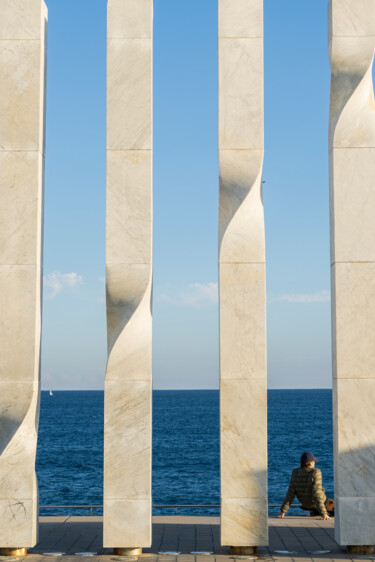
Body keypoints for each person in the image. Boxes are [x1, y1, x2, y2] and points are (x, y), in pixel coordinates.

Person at [276, 452, 331, 520]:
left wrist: (282, 512)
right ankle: (319, 511)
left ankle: (316, 512)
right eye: (314, 461)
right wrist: (324, 513)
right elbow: (317, 493)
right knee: (338, 507)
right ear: (311, 463)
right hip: (321, 503)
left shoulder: (295, 472)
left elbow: (290, 494)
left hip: (306, 505)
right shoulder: (316, 472)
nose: (315, 463)